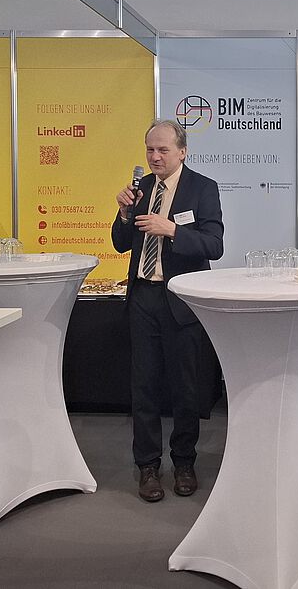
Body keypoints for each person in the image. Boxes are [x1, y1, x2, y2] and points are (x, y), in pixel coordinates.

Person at [112, 119, 224, 503]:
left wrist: (172, 229)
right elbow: (120, 244)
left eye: (162, 150)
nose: (155, 157)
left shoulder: (202, 188)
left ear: (182, 152)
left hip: (181, 299)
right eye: (149, 150)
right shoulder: (140, 189)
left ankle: (184, 462)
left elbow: (214, 245)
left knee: (185, 388)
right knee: (143, 386)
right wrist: (125, 215)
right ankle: (147, 466)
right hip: (143, 296)